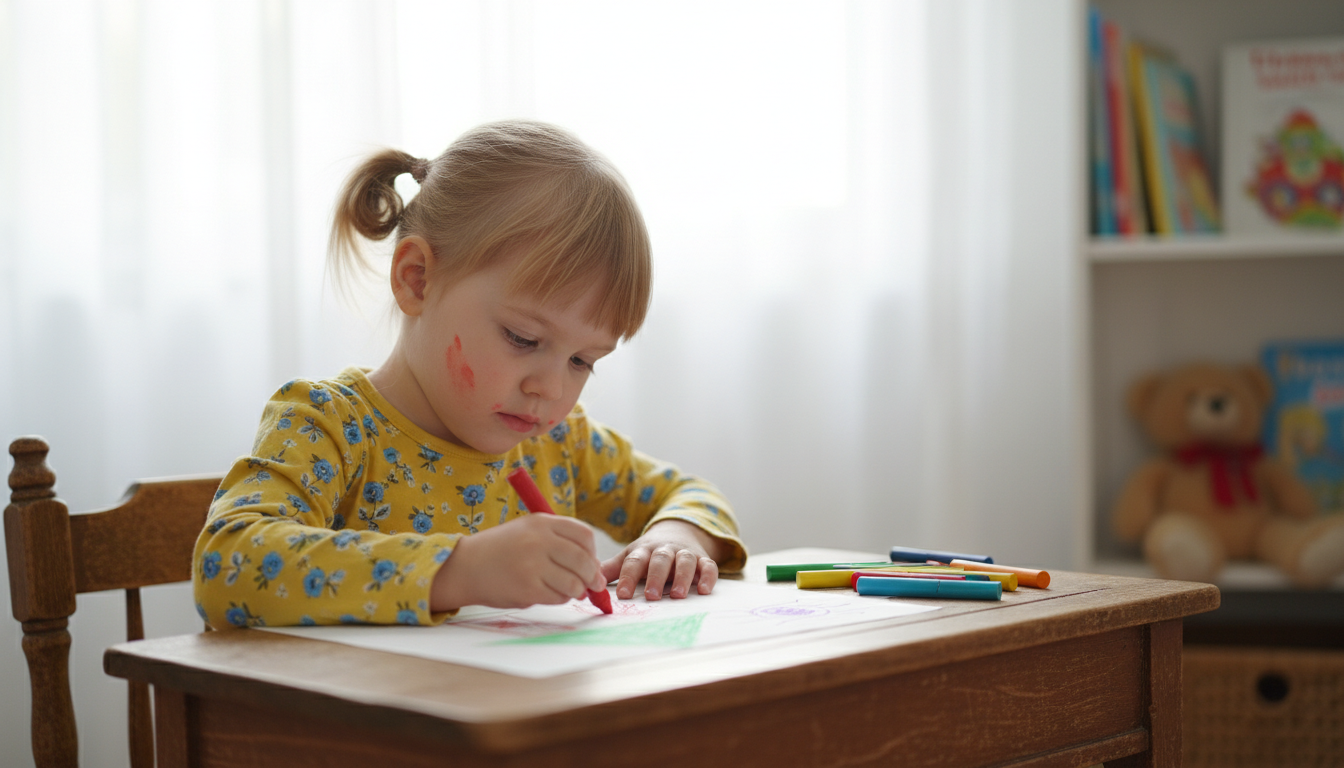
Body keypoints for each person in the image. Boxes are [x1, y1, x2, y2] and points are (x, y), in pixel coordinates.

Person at [193, 120, 746, 628]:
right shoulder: (329, 427)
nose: (551, 390)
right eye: (523, 339)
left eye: (583, 362)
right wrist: (459, 570)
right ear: (417, 280)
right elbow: (226, 563)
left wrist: (677, 537)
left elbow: (689, 493)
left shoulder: (560, 442)